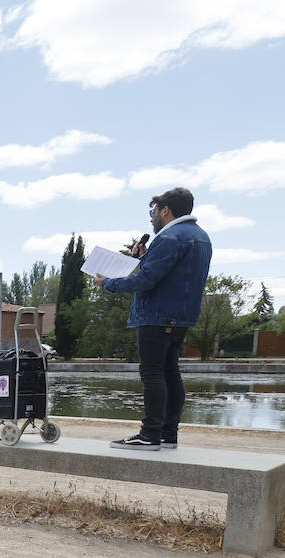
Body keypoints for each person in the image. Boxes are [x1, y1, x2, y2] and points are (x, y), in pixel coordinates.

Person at [95, 187, 212, 451]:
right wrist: (143, 257)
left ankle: (149, 434)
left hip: (157, 316)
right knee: (171, 372)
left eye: (153, 212)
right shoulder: (200, 236)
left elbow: (147, 280)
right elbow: (170, 273)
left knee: (152, 373)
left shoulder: (170, 236)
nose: (151, 218)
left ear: (165, 210)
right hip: (181, 317)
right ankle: (169, 434)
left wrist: (108, 283)